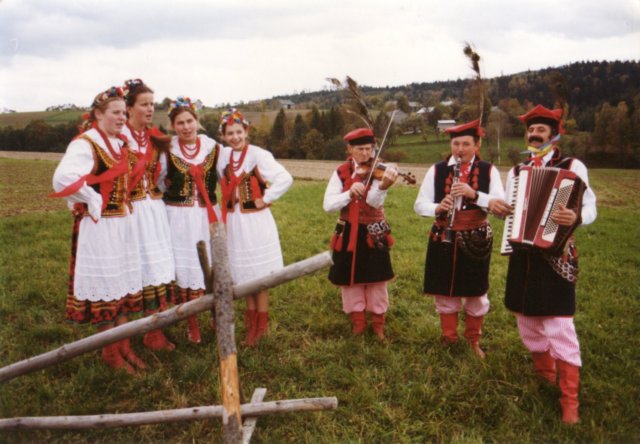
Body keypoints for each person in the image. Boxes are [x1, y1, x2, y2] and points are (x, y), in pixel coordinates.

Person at [504, 105, 597, 424]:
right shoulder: (517, 172)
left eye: (541, 130)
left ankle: (570, 400)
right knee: (526, 319)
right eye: (531, 130)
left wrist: (576, 216)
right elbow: (512, 209)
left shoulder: (573, 166)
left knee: (559, 323)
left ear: (555, 135)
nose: (534, 134)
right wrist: (501, 209)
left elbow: (590, 206)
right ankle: (544, 375)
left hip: (556, 255)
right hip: (522, 255)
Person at [51, 86, 144, 373]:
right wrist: (93, 200)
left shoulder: (118, 142)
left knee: (123, 286)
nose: (122, 118)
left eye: (124, 113)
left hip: (122, 225)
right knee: (106, 288)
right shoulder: (86, 143)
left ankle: (124, 346)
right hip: (100, 227)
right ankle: (110, 353)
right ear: (98, 114)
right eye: (115, 112)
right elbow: (62, 178)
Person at [414, 120, 510, 358]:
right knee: (444, 289)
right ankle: (449, 338)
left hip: (475, 239)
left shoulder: (489, 170)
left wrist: (474, 194)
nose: (460, 149)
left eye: (466, 144)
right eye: (455, 144)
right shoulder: (437, 170)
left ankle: (473, 341)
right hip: (442, 235)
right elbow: (419, 205)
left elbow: (500, 206)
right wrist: (438, 207)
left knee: (476, 291)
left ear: (477, 145)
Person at [217, 108, 293, 347]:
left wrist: (266, 198)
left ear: (246, 131)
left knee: (259, 276)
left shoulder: (258, 154)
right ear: (223, 136)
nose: (235, 137)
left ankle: (262, 324)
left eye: (239, 132)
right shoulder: (223, 157)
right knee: (244, 275)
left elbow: (285, 178)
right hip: (234, 222)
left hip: (255, 223)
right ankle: (251, 321)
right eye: (230, 133)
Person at [323, 127, 398, 340]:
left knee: (377, 279)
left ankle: (378, 324)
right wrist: (349, 193)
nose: (366, 154)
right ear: (350, 149)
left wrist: (383, 187)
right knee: (350, 279)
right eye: (360, 149)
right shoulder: (340, 172)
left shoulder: (379, 170)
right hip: (349, 230)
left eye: (369, 149)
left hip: (373, 231)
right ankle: (358, 322)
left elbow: (373, 202)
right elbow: (328, 205)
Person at [161, 96, 221, 344]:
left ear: (197, 121)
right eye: (180, 123)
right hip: (179, 217)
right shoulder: (168, 150)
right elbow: (158, 181)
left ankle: (217, 316)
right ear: (173, 126)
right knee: (185, 268)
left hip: (207, 214)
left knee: (213, 266)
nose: (186, 127)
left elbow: (226, 175)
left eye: (189, 121)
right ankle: (191, 323)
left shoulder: (212, 147)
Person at [121, 79, 175, 352]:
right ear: (129, 108)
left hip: (153, 211)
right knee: (136, 268)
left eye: (152, 104)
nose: (150, 109)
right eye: (144, 104)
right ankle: (124, 336)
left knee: (155, 267)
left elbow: (162, 176)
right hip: (129, 213)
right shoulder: (120, 138)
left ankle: (154, 331)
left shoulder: (154, 138)